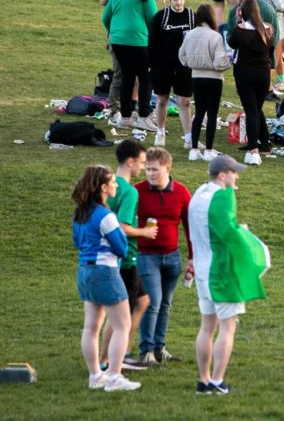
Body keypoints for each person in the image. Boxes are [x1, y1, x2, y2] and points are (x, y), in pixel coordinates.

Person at [190, 155, 270, 394]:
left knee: (207, 327)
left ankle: (203, 380)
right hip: (222, 271)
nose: (236, 177)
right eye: (234, 173)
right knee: (227, 328)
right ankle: (217, 380)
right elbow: (228, 233)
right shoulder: (223, 196)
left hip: (203, 271)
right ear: (222, 175)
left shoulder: (198, 194)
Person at [72, 165, 140, 392]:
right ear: (102, 187)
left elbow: (76, 241)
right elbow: (121, 247)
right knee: (123, 325)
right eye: (112, 182)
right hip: (106, 272)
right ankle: (113, 376)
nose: (116, 185)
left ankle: (95, 376)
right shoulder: (106, 215)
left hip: (85, 271)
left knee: (90, 327)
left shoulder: (80, 213)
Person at [98, 140, 158, 372]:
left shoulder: (108, 185)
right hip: (126, 258)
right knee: (120, 316)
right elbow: (122, 227)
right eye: (142, 163)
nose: (143, 168)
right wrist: (144, 231)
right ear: (130, 162)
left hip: (112, 256)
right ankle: (109, 359)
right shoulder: (129, 191)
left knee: (143, 302)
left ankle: (119, 352)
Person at [134, 147, 192, 366]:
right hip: (146, 255)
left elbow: (189, 226)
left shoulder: (182, 192)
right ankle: (146, 350)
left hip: (172, 256)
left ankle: (159, 348)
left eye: (155, 170)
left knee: (166, 304)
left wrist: (192, 257)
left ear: (168, 168)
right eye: (147, 169)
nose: (150, 174)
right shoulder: (137, 191)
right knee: (153, 301)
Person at [101, 0, 159, 132]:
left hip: (117, 40)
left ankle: (125, 118)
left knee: (127, 76)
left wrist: (113, 32)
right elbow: (153, 17)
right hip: (138, 40)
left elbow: (105, 17)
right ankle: (143, 116)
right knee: (145, 78)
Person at [179, 4, 231, 162]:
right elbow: (221, 61)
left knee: (199, 112)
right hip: (214, 78)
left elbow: (182, 56)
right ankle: (208, 149)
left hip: (196, 76)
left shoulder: (188, 35)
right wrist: (222, 66)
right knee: (212, 114)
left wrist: (192, 64)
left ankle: (194, 149)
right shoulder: (215, 36)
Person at [148, 0, 195, 149]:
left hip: (184, 66)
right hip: (162, 65)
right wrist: (151, 66)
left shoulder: (192, 17)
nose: (178, 2)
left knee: (185, 102)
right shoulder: (160, 17)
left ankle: (189, 137)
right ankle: (160, 132)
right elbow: (152, 42)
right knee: (162, 100)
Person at [228, 0, 274, 165]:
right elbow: (271, 49)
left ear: (243, 12)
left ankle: (253, 149)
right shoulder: (268, 30)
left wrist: (238, 21)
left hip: (244, 73)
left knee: (251, 111)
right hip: (263, 74)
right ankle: (262, 142)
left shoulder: (240, 30)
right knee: (256, 109)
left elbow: (231, 42)